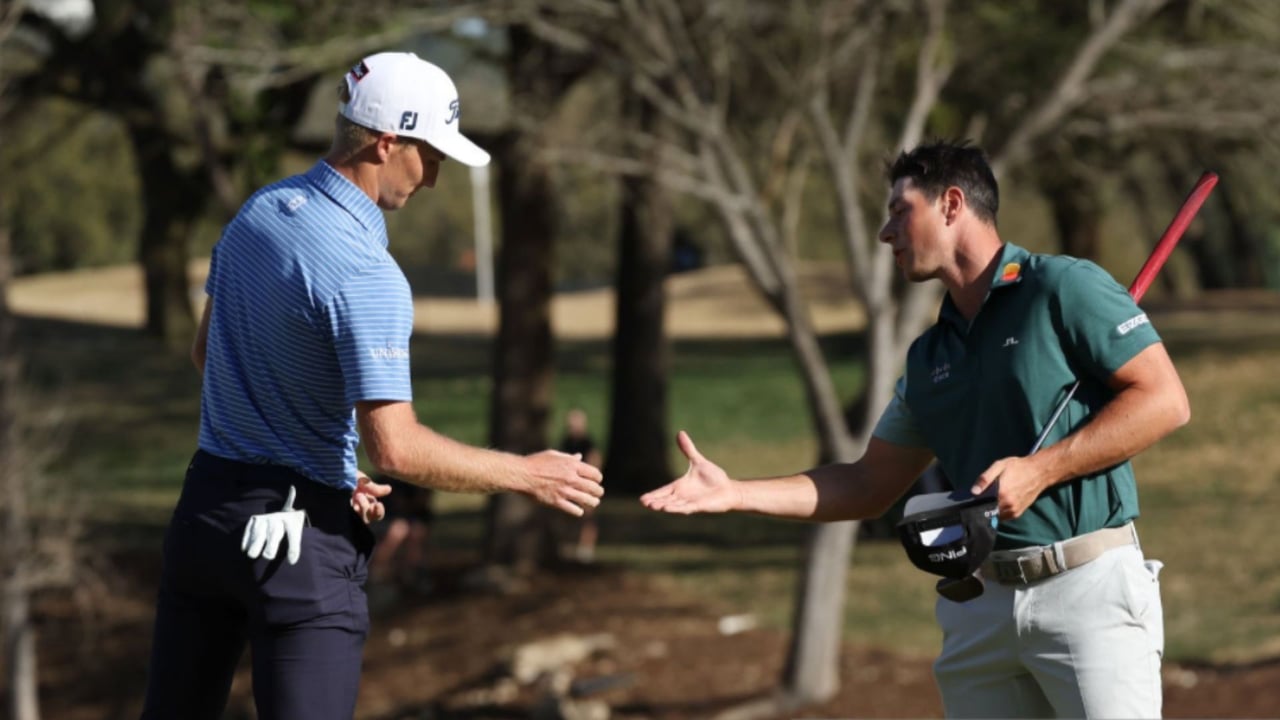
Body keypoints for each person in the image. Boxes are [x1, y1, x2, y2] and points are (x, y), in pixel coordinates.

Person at [641, 140, 1189, 719]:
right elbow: (868, 483)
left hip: (1086, 590)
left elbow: (1165, 401)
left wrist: (1041, 469)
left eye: (900, 211)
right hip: (979, 607)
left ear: (952, 205)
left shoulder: (1062, 288)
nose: (885, 233)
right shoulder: (930, 357)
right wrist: (734, 494)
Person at [140, 52, 604, 720]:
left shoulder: (259, 212)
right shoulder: (367, 271)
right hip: (297, 548)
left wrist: (319, 457)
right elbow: (397, 450)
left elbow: (204, 352)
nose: (437, 177)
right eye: (431, 155)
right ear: (387, 143)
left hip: (206, 517)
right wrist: (528, 474)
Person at [368, 476, 435, 593]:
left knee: (415, 532)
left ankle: (414, 573)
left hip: (411, 518)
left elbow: (422, 504)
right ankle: (378, 573)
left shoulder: (418, 480)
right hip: (387, 519)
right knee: (398, 530)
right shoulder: (385, 481)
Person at [558, 408, 603, 563]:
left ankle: (586, 549)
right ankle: (568, 546)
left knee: (587, 518)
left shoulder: (588, 444)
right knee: (567, 516)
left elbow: (595, 463)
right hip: (568, 484)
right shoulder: (565, 443)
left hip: (584, 484)